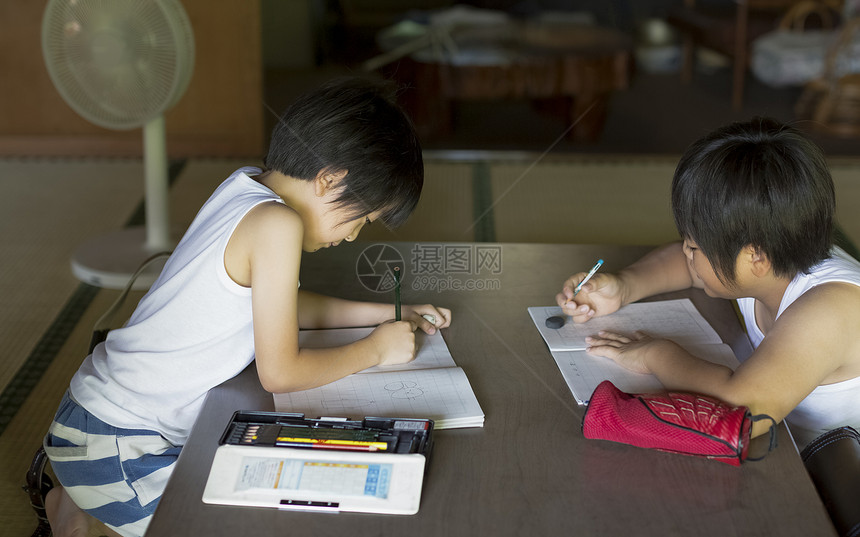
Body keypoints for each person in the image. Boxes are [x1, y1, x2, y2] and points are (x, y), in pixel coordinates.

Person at [41, 77, 451, 537]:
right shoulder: (277, 225)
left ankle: (73, 500)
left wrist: (380, 315)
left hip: (95, 413)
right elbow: (280, 373)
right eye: (361, 219)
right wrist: (374, 350)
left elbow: (280, 307)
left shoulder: (246, 189)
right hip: (118, 443)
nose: (353, 235)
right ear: (331, 178)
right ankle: (82, 504)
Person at [556, 117, 860, 449]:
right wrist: (624, 285)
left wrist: (656, 355)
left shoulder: (832, 309)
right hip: (791, 442)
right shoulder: (776, 253)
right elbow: (687, 267)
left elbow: (741, 408)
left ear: (755, 257)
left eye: (694, 247)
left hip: (836, 476)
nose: (686, 253)